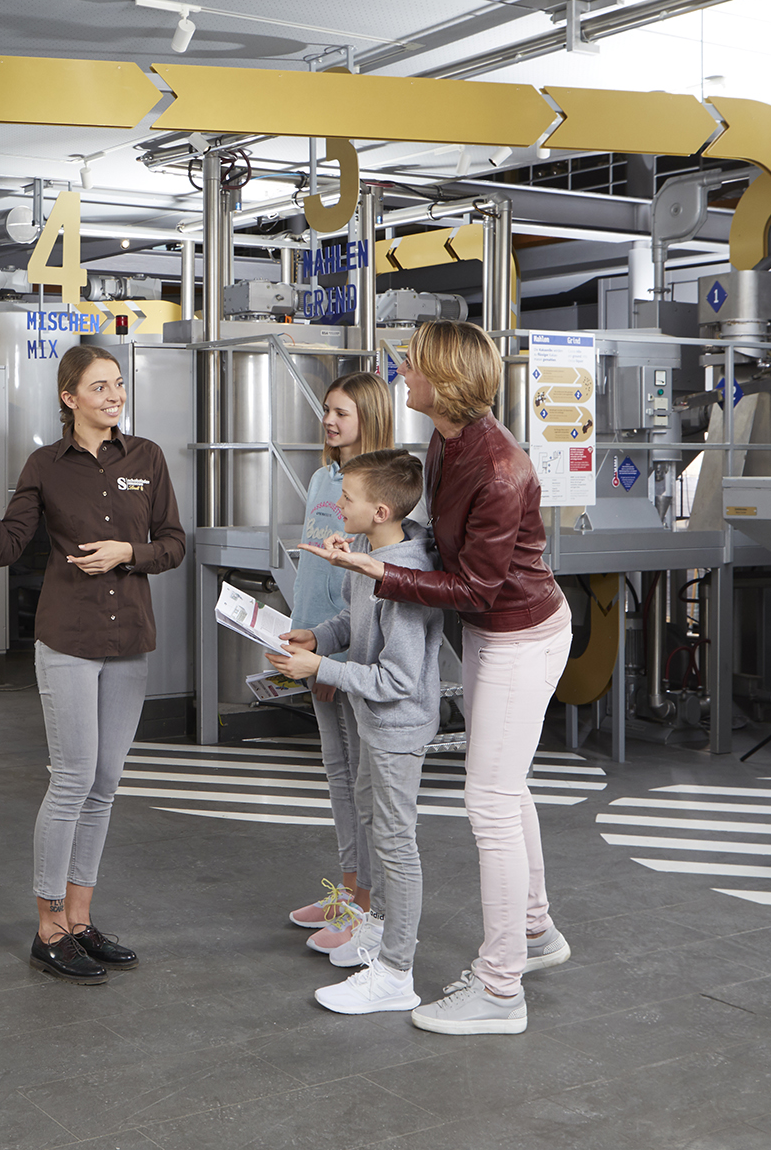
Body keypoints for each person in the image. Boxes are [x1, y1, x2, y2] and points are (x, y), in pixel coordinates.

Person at [311, 319, 573, 1036]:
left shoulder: (497, 465)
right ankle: (537, 933)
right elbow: (432, 539)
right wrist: (374, 546)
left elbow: (478, 588)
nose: (403, 369)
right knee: (506, 788)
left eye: (414, 363)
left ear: (445, 380)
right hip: (494, 631)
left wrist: (381, 571)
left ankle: (499, 990)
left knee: (488, 800)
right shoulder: (445, 439)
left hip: (522, 632)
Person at [0, 344, 185, 984]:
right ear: (69, 398)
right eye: (100, 387)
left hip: (128, 637)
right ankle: (47, 927)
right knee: (72, 780)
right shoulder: (45, 464)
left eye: (118, 385)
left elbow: (175, 543)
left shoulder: (146, 458)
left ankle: (80, 919)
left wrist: (131, 551)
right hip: (67, 639)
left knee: (103, 784)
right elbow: (4, 548)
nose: (115, 396)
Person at [268, 448, 442, 1015]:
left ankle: (396, 971)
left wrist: (320, 669)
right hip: (374, 720)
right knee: (376, 827)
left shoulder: (405, 576)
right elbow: (352, 619)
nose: (337, 504)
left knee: (396, 843)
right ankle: (382, 933)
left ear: (381, 509)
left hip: (396, 724)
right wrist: (318, 637)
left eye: (348, 497)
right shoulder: (370, 554)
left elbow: (398, 677)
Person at [284, 372, 396, 964]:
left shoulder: (381, 494)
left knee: (362, 781)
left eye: (342, 414)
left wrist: (333, 660)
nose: (328, 421)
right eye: (326, 410)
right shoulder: (322, 479)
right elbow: (316, 575)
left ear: (369, 419)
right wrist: (300, 642)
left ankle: (367, 904)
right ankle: (349, 888)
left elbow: (362, 592)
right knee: (336, 772)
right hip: (314, 647)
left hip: (348, 654)